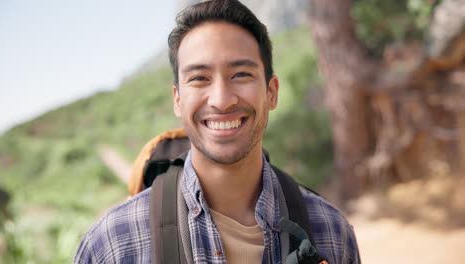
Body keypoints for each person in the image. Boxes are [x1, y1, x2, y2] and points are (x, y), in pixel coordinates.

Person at [74, 0, 361, 263]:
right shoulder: (110, 246)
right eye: (199, 78)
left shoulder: (332, 233)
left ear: (271, 93)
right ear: (177, 99)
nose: (222, 100)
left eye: (240, 74)